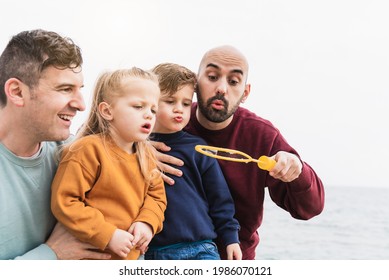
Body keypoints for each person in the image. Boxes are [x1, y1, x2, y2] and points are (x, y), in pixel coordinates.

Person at [154, 45, 325, 260]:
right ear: (196, 84)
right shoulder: (162, 121)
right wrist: (135, 150)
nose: (221, 88)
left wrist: (298, 170)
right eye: (213, 76)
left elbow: (309, 209)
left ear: (245, 93)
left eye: (233, 81)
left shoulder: (262, 135)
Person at [0, 29, 111, 260]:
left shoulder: (71, 152)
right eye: (65, 89)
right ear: (17, 92)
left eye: (79, 89)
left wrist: (141, 158)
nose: (81, 105)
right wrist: (52, 254)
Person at [50, 67, 167, 260]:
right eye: (138, 106)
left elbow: (157, 197)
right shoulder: (87, 150)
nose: (149, 115)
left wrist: (147, 222)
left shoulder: (146, 156)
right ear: (107, 110)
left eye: (153, 109)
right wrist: (108, 234)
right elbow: (65, 201)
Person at [145, 63, 241, 260]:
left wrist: (231, 238)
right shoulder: (134, 147)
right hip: (158, 252)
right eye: (170, 101)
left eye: (186, 103)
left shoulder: (199, 148)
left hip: (202, 248)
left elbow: (219, 198)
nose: (179, 109)